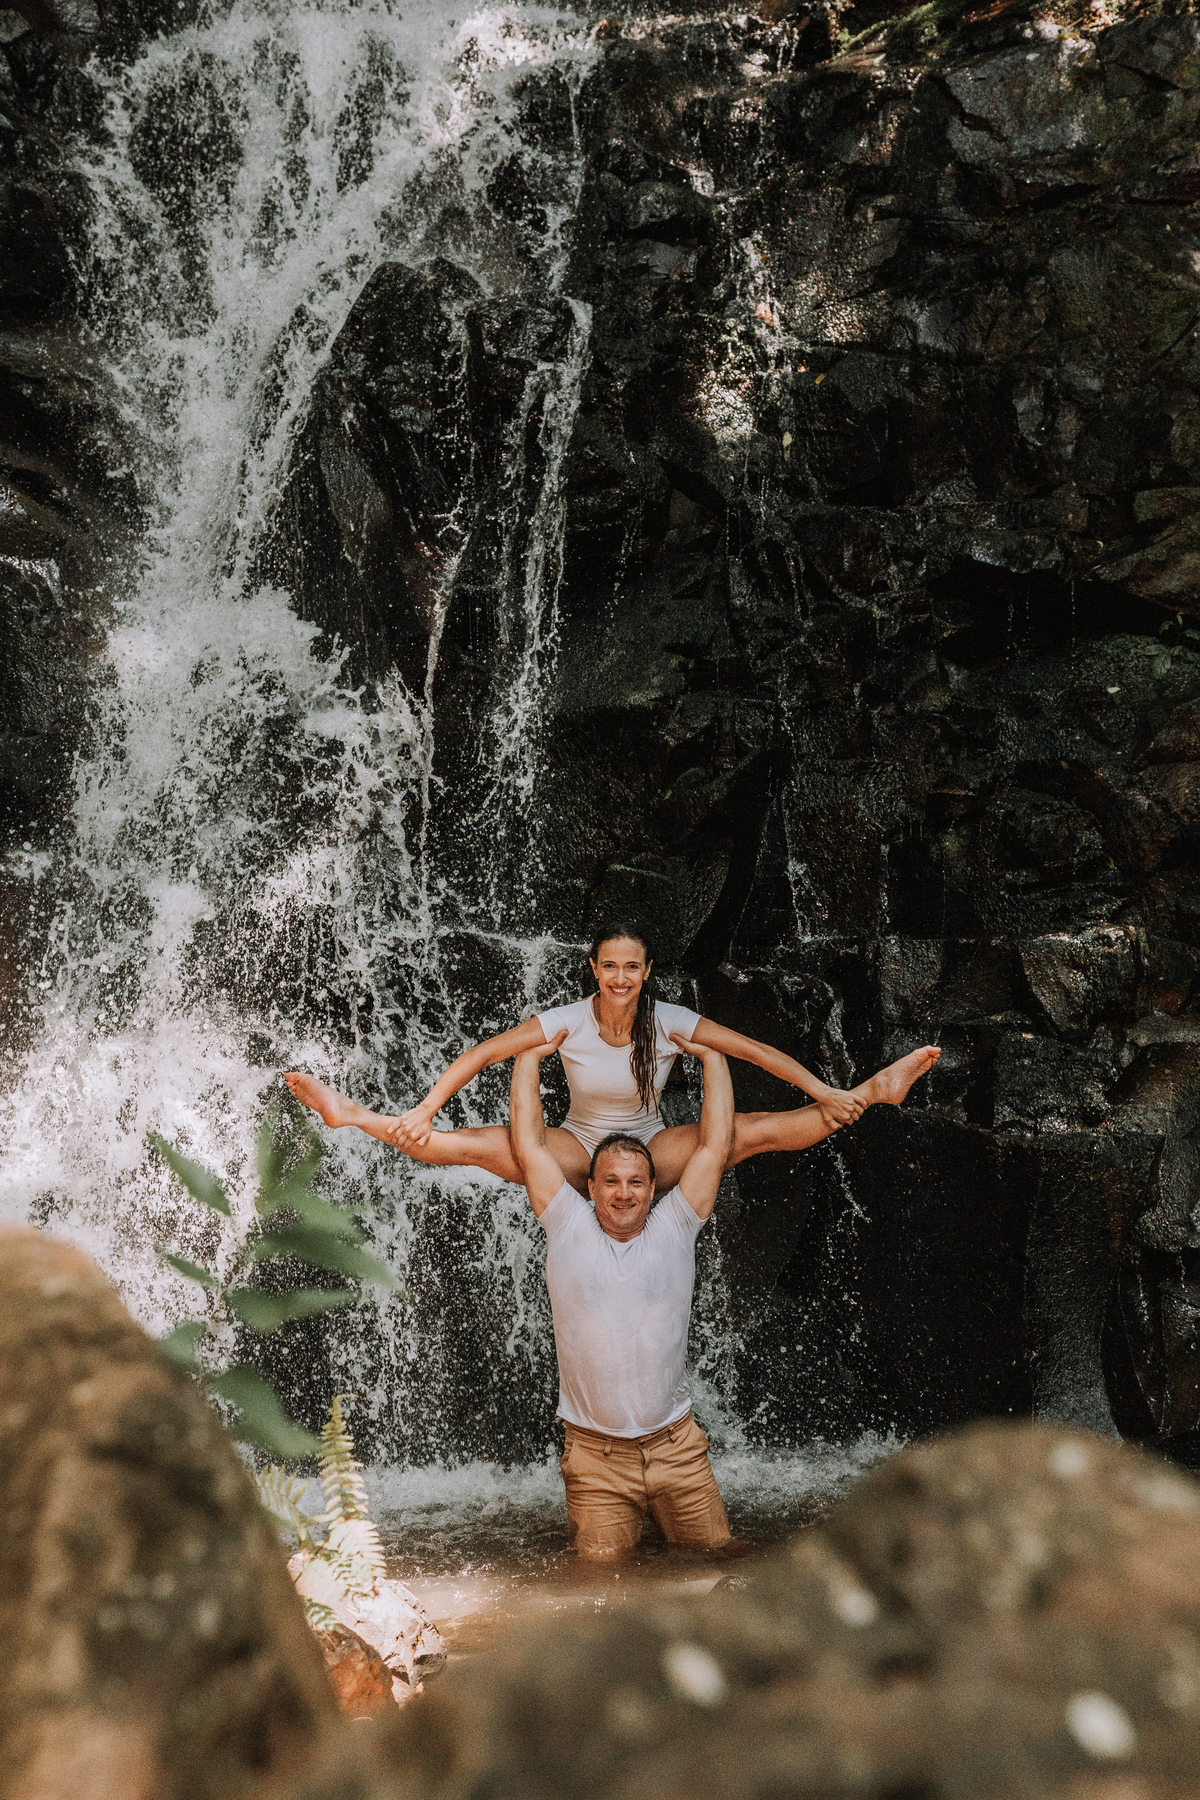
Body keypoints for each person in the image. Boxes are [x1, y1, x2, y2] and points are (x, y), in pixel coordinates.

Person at [284, 919, 940, 1195]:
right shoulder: (565, 1022)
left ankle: (872, 1092)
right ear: (594, 969)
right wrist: (427, 1105)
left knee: (750, 1132)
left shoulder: (672, 1020)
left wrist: (823, 1089)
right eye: (610, 967)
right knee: (461, 1145)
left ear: (646, 970)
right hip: (579, 1142)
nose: (620, 977)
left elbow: (758, 1053)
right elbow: (485, 1053)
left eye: (632, 967)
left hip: (652, 1144)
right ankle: (351, 1115)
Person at [509, 1026, 742, 1559]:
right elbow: (529, 1145)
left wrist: (712, 1058)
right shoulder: (567, 1224)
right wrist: (527, 1060)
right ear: (590, 1188)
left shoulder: (677, 1224)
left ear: (653, 1187)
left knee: (723, 1565)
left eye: (636, 1182)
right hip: (596, 1461)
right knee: (599, 1588)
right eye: (610, 1181)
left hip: (679, 1450)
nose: (623, 1192)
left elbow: (715, 1145)